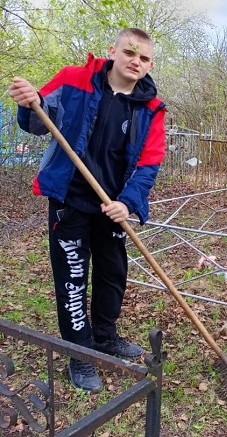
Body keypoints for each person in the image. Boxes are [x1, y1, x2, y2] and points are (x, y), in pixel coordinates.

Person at [8, 28, 167, 391]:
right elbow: (36, 120)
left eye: (143, 58)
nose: (135, 61)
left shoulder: (152, 110)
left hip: (113, 207)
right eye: (129, 52)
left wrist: (127, 202)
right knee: (73, 277)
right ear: (113, 51)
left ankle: (105, 336)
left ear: (150, 64)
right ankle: (80, 354)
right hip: (70, 201)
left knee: (112, 273)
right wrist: (28, 100)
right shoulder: (73, 79)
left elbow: (149, 163)